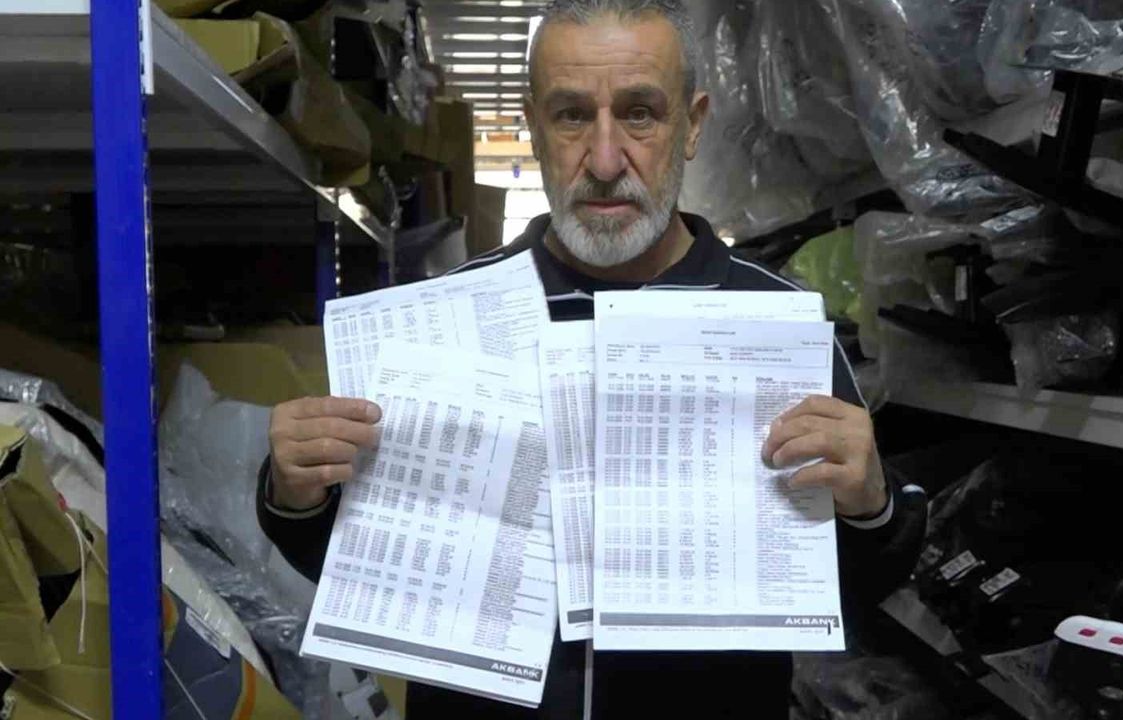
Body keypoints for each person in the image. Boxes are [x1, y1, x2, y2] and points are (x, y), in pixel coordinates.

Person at [258, 1, 926, 717]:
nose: (605, 162)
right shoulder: (440, 322)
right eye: (573, 115)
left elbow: (853, 586)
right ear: (534, 126)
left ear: (692, 125)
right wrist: (296, 494)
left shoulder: (778, 326)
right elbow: (363, 569)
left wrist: (872, 507)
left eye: (639, 113)